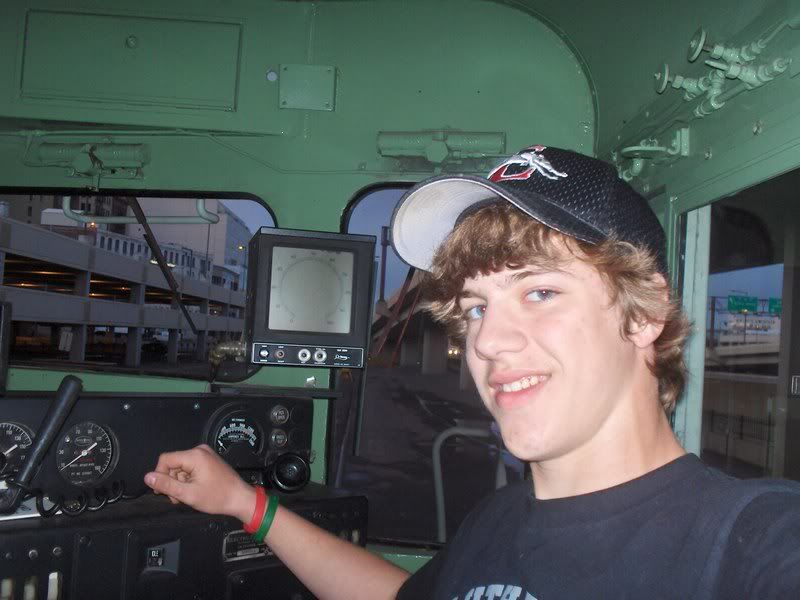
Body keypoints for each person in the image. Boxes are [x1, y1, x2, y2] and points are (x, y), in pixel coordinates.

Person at [145, 145, 800, 599]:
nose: (488, 341)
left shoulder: (752, 541)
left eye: (540, 291)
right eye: (476, 307)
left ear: (645, 313)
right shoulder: (498, 519)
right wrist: (247, 504)